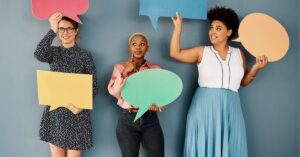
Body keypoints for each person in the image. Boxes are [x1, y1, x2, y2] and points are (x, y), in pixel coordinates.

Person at [170, 7, 268, 157]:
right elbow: (175, 53)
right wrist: (178, 28)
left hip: (232, 107)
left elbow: (243, 82)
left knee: (232, 146)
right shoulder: (202, 51)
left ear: (229, 32)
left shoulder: (238, 54)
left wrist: (256, 68)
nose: (212, 32)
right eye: (211, 28)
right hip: (205, 108)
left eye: (218, 28)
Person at [34, 12, 98, 157]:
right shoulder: (54, 53)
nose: (65, 33)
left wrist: (81, 106)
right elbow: (38, 53)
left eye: (69, 28)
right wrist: (52, 29)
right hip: (56, 115)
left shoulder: (85, 55)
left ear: (76, 31)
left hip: (77, 115)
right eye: (61, 29)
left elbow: (94, 86)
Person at [107, 32, 164, 157]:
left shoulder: (155, 69)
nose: (138, 47)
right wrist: (124, 73)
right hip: (127, 120)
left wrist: (158, 105)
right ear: (129, 47)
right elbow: (114, 92)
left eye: (142, 44)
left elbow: (162, 93)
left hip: (150, 119)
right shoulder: (120, 67)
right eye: (134, 44)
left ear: (147, 48)